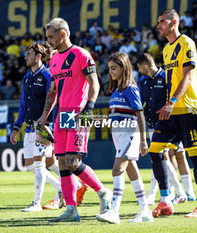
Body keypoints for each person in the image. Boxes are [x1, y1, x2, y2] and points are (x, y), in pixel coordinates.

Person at [37, 17, 112, 222]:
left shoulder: (81, 54)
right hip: (62, 114)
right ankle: (71, 209)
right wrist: (44, 116)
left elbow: (94, 83)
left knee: (73, 161)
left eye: (51, 37)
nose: (48, 41)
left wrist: (89, 108)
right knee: (62, 162)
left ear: (63, 34)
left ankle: (103, 192)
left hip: (79, 112)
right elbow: (52, 91)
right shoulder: (53, 60)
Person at [149, 9, 197, 218]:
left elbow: (188, 76)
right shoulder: (166, 49)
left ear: (174, 22)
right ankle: (165, 200)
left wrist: (172, 102)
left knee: (195, 154)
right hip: (170, 110)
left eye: (162, 22)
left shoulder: (187, 43)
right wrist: (167, 103)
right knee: (154, 149)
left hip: (189, 108)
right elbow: (170, 81)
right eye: (158, 23)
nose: (159, 26)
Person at [95, 52, 154, 224]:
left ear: (124, 67)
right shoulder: (116, 91)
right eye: (110, 68)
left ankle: (114, 212)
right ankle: (145, 211)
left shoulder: (130, 88)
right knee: (131, 171)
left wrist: (143, 140)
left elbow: (139, 114)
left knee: (117, 170)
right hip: (119, 135)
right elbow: (112, 118)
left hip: (130, 134)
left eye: (114, 68)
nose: (111, 72)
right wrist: (86, 120)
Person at [10, 43, 64, 211]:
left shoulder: (48, 76)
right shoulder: (27, 78)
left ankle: (36, 203)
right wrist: (16, 127)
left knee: (40, 164)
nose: (25, 57)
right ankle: (64, 186)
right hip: (29, 127)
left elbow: (54, 101)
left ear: (38, 56)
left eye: (29, 54)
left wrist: (50, 126)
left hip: (44, 126)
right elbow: (23, 104)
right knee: (29, 165)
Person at [136, 53, 195, 205]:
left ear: (145, 66)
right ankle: (178, 192)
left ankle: (171, 193)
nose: (139, 71)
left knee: (164, 157)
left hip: (167, 123)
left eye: (139, 68)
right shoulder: (143, 81)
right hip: (151, 123)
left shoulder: (165, 76)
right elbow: (143, 101)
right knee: (160, 158)